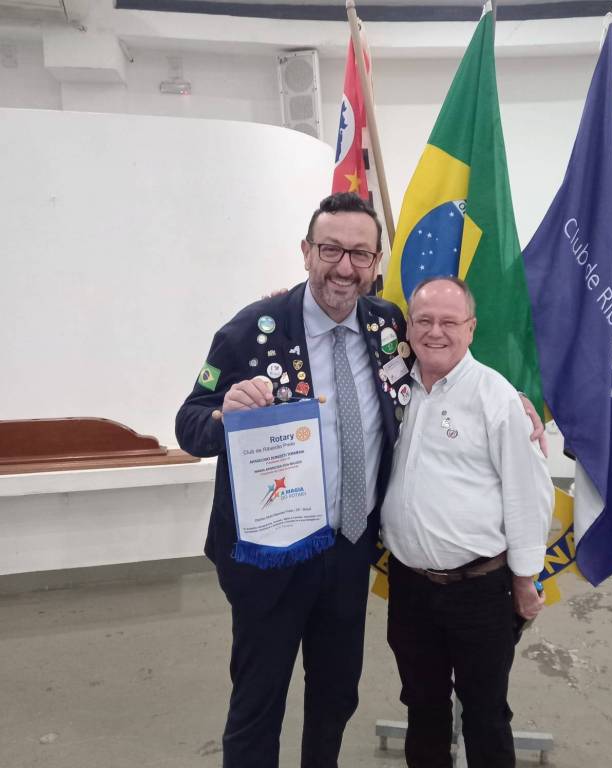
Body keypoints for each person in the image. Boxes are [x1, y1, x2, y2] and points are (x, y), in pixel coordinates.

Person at [176, 193, 544, 768]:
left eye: (360, 254)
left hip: (348, 553)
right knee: (257, 702)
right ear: (306, 251)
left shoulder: (388, 325)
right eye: (330, 250)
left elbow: (444, 364)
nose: (344, 267)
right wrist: (226, 416)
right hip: (270, 557)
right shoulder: (252, 331)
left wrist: (512, 398)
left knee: (335, 695)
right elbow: (188, 423)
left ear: (376, 262)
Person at [381, 276, 554, 768]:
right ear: (408, 327)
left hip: (478, 592)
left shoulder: (496, 398)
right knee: (422, 708)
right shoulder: (394, 386)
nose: (435, 332)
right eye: (423, 320)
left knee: (485, 714)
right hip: (410, 587)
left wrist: (525, 580)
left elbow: (527, 496)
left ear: (471, 328)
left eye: (449, 322)